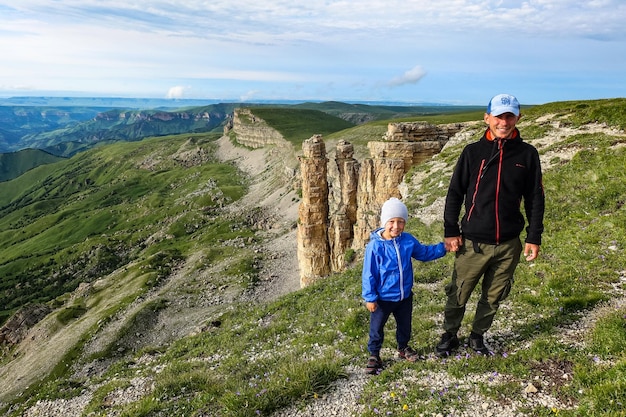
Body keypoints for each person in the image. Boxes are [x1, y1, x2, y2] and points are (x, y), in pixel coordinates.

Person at [435, 93, 545, 357]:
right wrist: (451, 231)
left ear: (518, 118)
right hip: (473, 242)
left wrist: (534, 237)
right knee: (458, 293)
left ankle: (477, 336)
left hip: (508, 244)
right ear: (487, 118)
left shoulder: (528, 155)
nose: (504, 123)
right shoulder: (473, 152)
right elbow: (455, 193)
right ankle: (450, 334)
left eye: (509, 116)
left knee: (494, 296)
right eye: (498, 117)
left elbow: (535, 198)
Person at [362, 197, 449, 374]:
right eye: (392, 221)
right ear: (384, 222)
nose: (396, 226)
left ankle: (403, 347)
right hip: (382, 299)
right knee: (376, 328)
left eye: (401, 221)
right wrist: (370, 297)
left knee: (405, 325)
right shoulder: (375, 247)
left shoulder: (408, 241)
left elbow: (424, 253)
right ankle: (374, 354)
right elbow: (369, 274)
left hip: (404, 296)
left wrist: (444, 247)